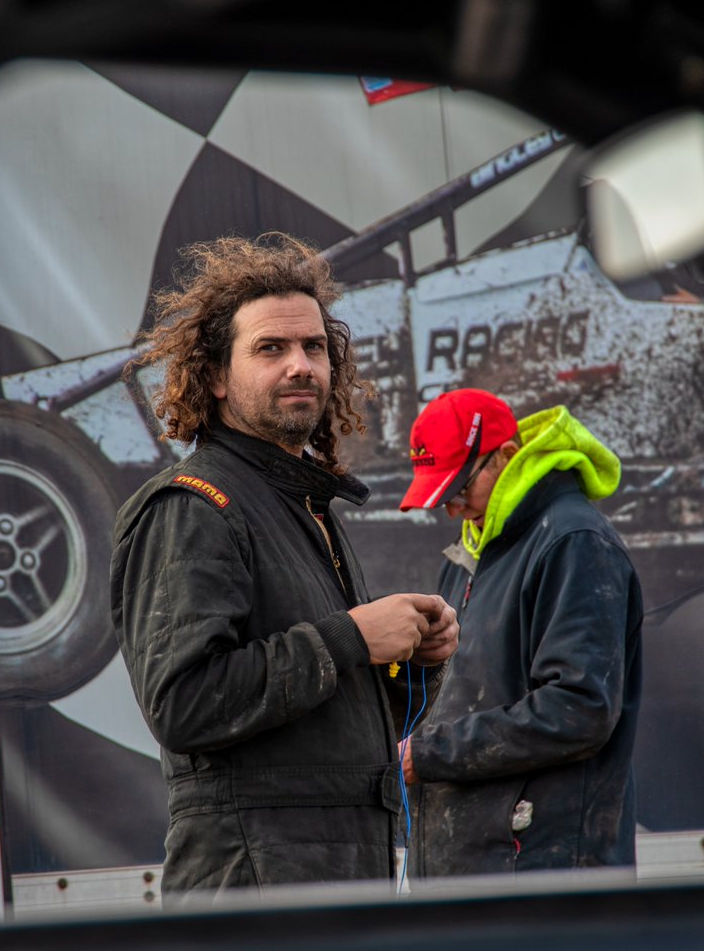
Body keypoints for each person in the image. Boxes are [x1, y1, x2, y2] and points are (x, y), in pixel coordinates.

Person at [110, 232, 459, 898]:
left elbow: (331, 724)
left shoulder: (304, 505)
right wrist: (351, 636)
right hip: (260, 894)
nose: (300, 365)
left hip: (332, 881)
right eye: (270, 348)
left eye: (314, 347)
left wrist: (415, 664)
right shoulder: (195, 507)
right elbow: (184, 704)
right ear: (213, 375)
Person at [397, 388, 643, 876]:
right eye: (442, 498)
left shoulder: (574, 542)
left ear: (506, 456)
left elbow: (580, 708)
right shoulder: (473, 551)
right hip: (485, 871)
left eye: (460, 489)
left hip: (540, 875)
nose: (452, 509)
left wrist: (426, 754)